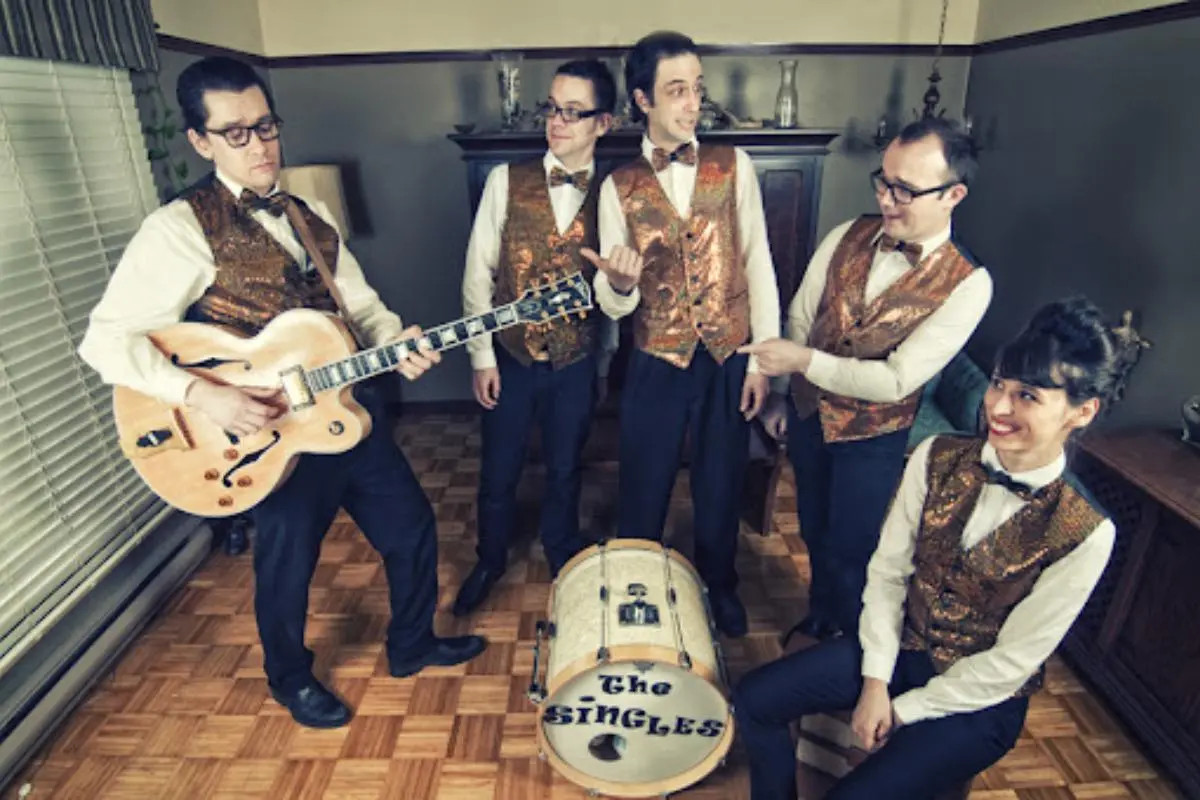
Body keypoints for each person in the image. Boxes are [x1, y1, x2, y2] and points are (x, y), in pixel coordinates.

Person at [78, 56, 486, 729]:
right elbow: (104, 342)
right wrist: (204, 397)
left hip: (343, 414)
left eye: (266, 125)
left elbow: (357, 306)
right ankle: (288, 678)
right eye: (236, 133)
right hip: (262, 435)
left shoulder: (308, 211)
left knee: (411, 528)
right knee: (287, 566)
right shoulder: (177, 230)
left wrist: (397, 340)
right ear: (200, 141)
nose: (261, 144)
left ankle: (413, 644)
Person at [732, 296, 1141, 799]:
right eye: (998, 384)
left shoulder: (1087, 532)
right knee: (754, 698)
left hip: (980, 702)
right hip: (901, 648)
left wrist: (902, 710)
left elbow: (1011, 664)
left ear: (1082, 412)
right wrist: (877, 680)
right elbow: (887, 573)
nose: (999, 407)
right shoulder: (935, 455)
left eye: (1029, 396)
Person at [743, 117, 993, 641]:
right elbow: (802, 317)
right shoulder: (846, 234)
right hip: (810, 417)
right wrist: (784, 398)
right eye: (883, 182)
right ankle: (820, 616)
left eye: (905, 190)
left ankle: (850, 651)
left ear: (955, 195)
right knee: (813, 527)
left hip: (873, 436)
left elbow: (896, 380)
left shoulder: (970, 285)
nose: (887, 199)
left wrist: (803, 363)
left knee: (854, 547)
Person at [583, 31, 781, 637]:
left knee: (721, 478)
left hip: (727, 351)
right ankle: (638, 587)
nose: (692, 102)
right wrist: (618, 285)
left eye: (697, 88)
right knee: (644, 478)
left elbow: (759, 261)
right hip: (656, 357)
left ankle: (719, 585)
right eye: (676, 90)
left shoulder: (734, 164)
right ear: (642, 99)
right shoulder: (617, 186)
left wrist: (761, 363)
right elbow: (614, 306)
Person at [454, 59, 617, 615]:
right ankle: (490, 557)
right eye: (552, 108)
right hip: (511, 354)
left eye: (575, 112)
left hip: (576, 357)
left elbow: (618, 295)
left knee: (567, 464)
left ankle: (562, 550)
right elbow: (479, 272)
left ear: (604, 123)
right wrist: (481, 356)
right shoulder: (505, 179)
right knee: (498, 466)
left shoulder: (618, 194)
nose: (558, 121)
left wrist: (601, 365)